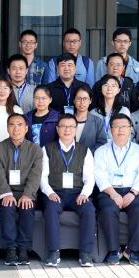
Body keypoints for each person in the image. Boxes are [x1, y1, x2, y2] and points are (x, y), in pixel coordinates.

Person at [39, 114, 96, 267]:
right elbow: (42, 176)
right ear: (57, 129)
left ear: (76, 130)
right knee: (51, 209)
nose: (67, 130)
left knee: (89, 210)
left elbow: (90, 177)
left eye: (71, 126)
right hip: (55, 192)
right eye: (63, 126)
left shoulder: (84, 150)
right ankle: (54, 252)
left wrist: (84, 194)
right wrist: (50, 192)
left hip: (77, 193)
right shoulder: (47, 149)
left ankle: (85, 253)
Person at [93, 114, 139, 266]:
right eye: (116, 126)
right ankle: (114, 250)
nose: (120, 130)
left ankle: (132, 250)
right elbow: (100, 175)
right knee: (108, 210)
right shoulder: (101, 151)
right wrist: (113, 194)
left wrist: (133, 193)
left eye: (124, 126)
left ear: (130, 129)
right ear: (110, 130)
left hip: (133, 191)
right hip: (109, 191)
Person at [0, 114, 43, 266]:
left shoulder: (35, 150)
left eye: (20, 125)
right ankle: (11, 249)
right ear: (7, 128)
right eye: (12, 125)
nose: (16, 129)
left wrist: (28, 194)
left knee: (26, 207)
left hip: (26, 192)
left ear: (26, 128)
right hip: (6, 192)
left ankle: (24, 248)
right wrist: (6, 194)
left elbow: (35, 175)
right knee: (7, 207)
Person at [91, 76, 132, 142]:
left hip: (118, 146)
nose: (109, 88)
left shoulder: (124, 111)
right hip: (99, 146)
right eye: (106, 85)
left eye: (113, 86)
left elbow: (127, 135)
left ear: (118, 90)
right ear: (101, 89)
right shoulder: (93, 113)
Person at [72, 86, 108, 151]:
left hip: (91, 156)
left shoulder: (97, 121)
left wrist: (88, 154)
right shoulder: (67, 121)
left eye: (85, 99)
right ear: (74, 101)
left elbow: (102, 143)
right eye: (79, 98)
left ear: (90, 101)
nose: (82, 102)